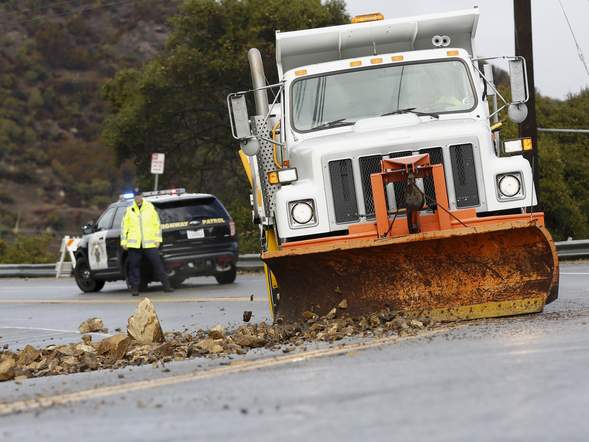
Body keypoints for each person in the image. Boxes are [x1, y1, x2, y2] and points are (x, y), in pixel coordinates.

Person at [121, 188, 173, 296]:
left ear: (142, 196)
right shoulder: (129, 210)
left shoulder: (150, 208)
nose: (138, 198)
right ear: (134, 197)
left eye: (139, 195)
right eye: (136, 196)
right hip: (134, 244)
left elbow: (157, 225)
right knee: (134, 266)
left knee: (157, 264)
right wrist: (124, 242)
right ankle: (135, 288)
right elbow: (124, 227)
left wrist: (158, 240)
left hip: (149, 243)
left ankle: (166, 286)